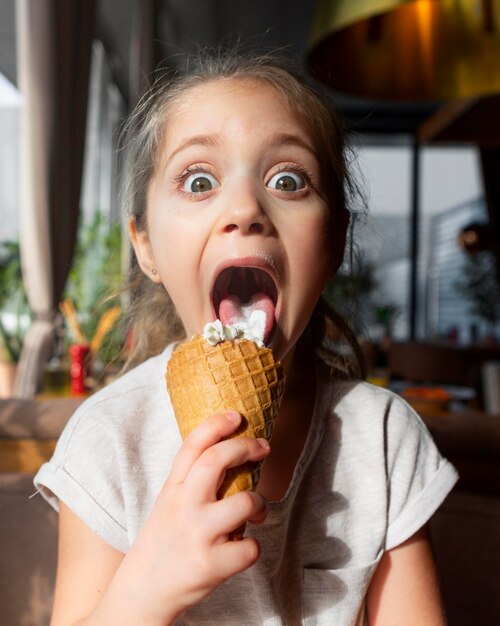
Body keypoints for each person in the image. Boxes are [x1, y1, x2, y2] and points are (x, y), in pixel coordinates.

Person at [34, 51, 457, 625]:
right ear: (146, 246)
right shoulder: (109, 443)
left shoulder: (383, 441)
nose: (244, 209)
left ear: (335, 240)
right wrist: (145, 587)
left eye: (287, 179)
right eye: (199, 180)